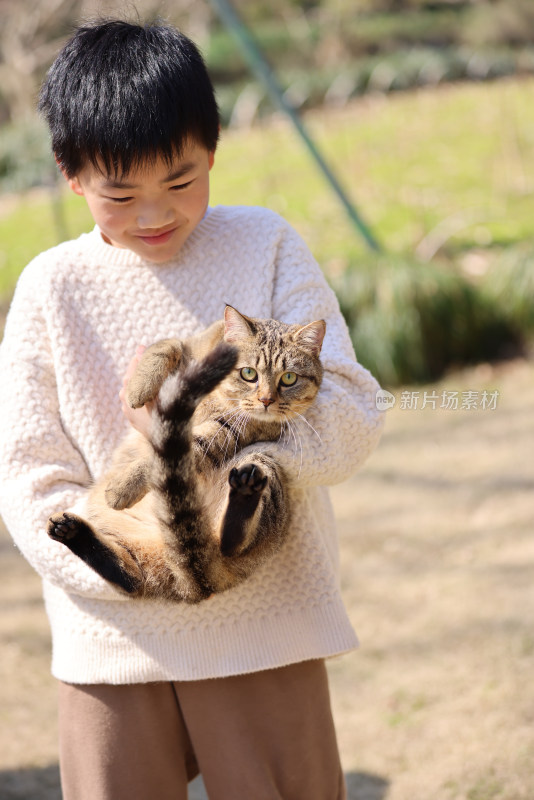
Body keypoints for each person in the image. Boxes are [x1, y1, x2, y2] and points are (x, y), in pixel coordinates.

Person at [0, 18, 384, 800]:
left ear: (213, 149)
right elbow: (26, 469)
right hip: (112, 629)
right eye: (119, 193)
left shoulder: (266, 244)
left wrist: (226, 454)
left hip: (262, 628)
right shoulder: (49, 286)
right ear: (71, 175)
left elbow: (349, 408)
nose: (153, 214)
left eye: (180, 181)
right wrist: (132, 572)